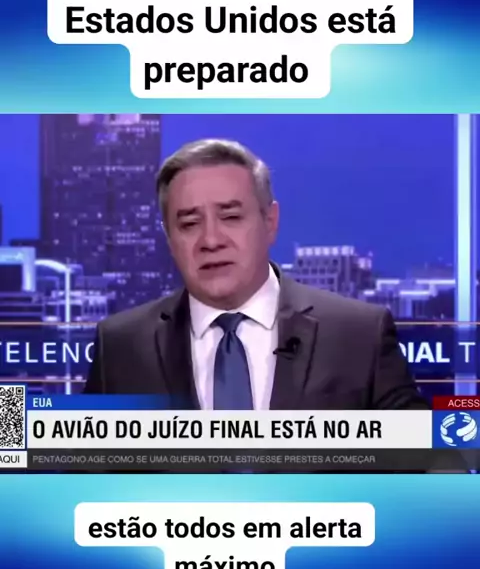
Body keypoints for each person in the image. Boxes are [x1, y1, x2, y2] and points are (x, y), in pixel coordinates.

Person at [83, 138, 429, 411]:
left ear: (270, 222)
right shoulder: (121, 346)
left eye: (231, 217)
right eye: (189, 224)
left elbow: (428, 462)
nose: (211, 241)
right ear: (170, 239)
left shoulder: (359, 335)